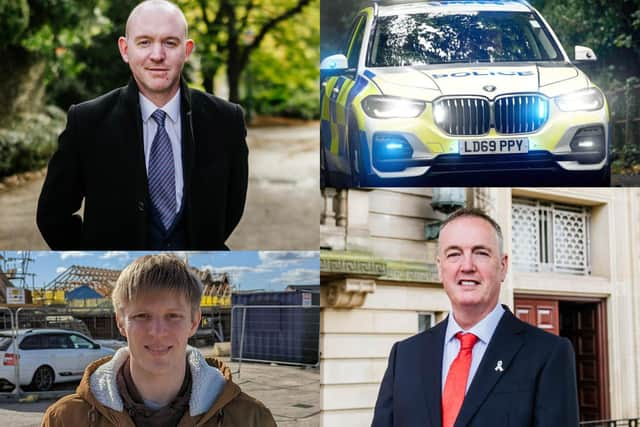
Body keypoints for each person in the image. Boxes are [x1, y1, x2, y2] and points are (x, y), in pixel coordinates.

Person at [37, 0, 247, 250]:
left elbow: (231, 209)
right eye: (144, 42)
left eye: (170, 43)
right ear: (125, 50)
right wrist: (92, 255)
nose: (157, 55)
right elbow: (52, 215)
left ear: (187, 50)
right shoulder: (87, 122)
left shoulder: (226, 121)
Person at [371, 208, 579, 427]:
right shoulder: (404, 356)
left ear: (503, 266)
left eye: (481, 253)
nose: (467, 266)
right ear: (440, 268)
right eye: (454, 254)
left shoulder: (549, 354)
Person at [42, 254, 276, 427]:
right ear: (120, 323)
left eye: (173, 316)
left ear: (194, 322)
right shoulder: (65, 419)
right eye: (142, 316)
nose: (157, 331)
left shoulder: (251, 419)